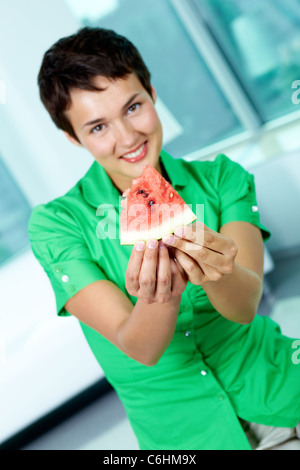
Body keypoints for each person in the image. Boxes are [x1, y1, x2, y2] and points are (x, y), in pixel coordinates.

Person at [28, 26, 300, 450]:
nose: (128, 137)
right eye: (98, 127)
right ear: (72, 137)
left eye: (133, 107)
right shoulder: (57, 224)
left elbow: (245, 306)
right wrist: (160, 294)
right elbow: (140, 348)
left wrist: (216, 265)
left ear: (152, 93)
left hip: (281, 390)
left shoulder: (223, 178)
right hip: (184, 442)